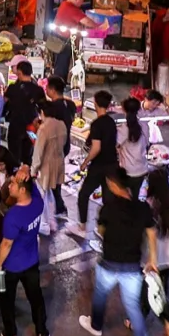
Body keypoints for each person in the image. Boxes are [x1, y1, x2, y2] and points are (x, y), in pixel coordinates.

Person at [79, 168, 158, 336]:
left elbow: (101, 230)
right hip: (132, 267)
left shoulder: (107, 208)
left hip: (109, 264)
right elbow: (151, 232)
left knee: (100, 295)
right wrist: (152, 259)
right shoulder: (142, 208)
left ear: (113, 185)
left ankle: (96, 326)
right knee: (133, 308)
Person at [0, 167, 51, 336]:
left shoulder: (12, 216)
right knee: (36, 298)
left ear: (22, 190)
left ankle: (10, 335)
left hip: (11, 266)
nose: (9, 185)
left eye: (13, 183)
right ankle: (41, 332)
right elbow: (33, 185)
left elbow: (6, 244)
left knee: (7, 300)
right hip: (31, 261)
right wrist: (25, 170)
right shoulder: (38, 203)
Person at [135, 168, 169, 336]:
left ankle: (168, 323)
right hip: (168, 260)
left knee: (146, 293)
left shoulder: (148, 206)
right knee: (160, 293)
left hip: (149, 260)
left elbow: (143, 234)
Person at [72, 90, 119, 237]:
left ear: (95, 104)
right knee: (108, 199)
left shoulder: (97, 124)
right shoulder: (112, 122)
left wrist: (85, 162)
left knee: (84, 194)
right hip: (112, 165)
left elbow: (96, 148)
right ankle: (105, 229)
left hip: (99, 166)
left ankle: (82, 227)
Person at [31, 100, 67, 232]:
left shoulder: (44, 128)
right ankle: (51, 221)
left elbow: (38, 152)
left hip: (46, 166)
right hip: (59, 162)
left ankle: (45, 224)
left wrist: (33, 170)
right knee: (51, 192)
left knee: (43, 194)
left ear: (42, 113)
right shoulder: (62, 124)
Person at [45, 76, 76, 217]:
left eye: (47, 88)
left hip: (54, 147)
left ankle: (59, 207)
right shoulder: (70, 105)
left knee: (52, 179)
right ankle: (57, 205)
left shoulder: (52, 108)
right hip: (65, 145)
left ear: (52, 90)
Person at [4, 60, 44, 165]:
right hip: (32, 128)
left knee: (14, 155)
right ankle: (27, 175)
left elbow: (4, 104)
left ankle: (15, 175)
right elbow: (43, 109)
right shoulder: (38, 90)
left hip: (15, 127)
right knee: (29, 153)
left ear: (19, 72)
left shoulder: (12, 88)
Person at [52, 0, 99, 78]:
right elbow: (87, 22)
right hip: (63, 41)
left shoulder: (64, 3)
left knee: (60, 63)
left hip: (58, 38)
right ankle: (60, 84)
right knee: (62, 65)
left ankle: (60, 82)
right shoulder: (71, 8)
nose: (82, 3)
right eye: (82, 1)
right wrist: (99, 26)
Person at [118, 98, 149, 198]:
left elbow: (115, 144)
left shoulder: (124, 128)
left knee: (125, 198)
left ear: (124, 110)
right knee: (134, 196)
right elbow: (147, 143)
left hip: (128, 171)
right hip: (142, 169)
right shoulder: (144, 126)